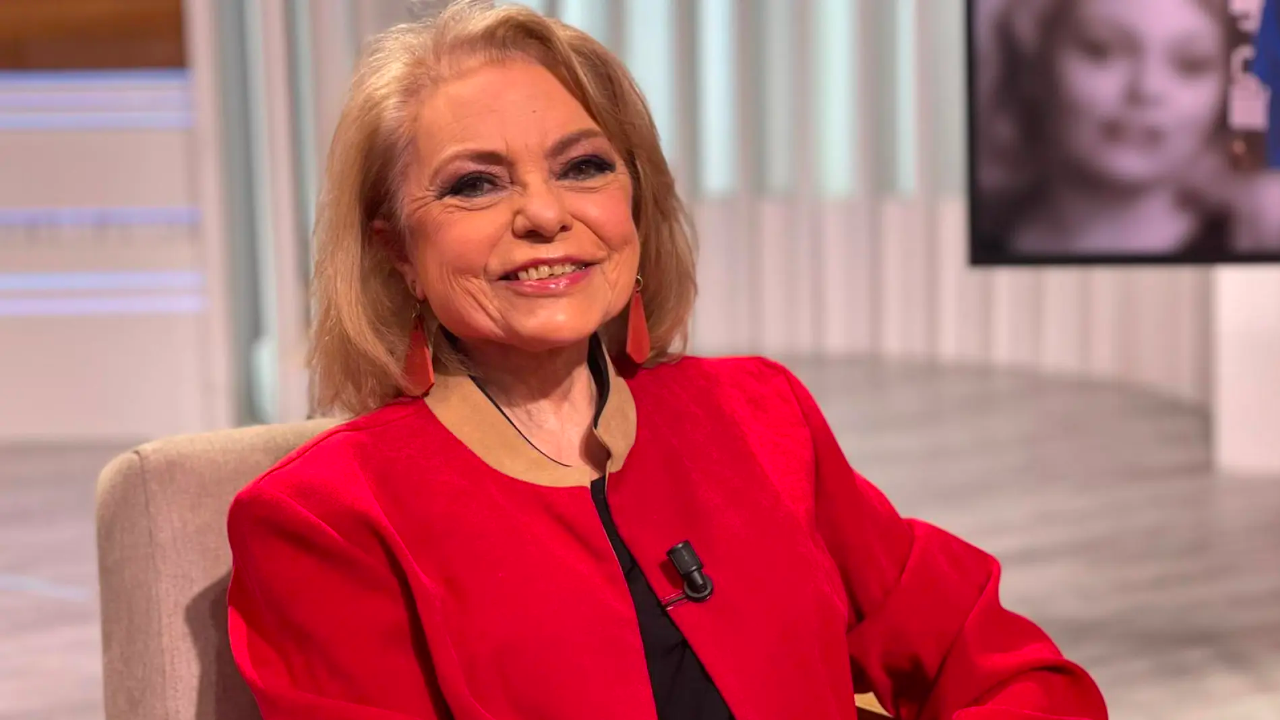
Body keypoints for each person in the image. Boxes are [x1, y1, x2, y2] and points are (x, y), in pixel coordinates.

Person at [226, 2, 1108, 718]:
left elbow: (1005, 669)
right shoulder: (322, 521)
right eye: (475, 184)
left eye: (583, 167)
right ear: (396, 251)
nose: (545, 215)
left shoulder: (761, 415)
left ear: (635, 208)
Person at [973, 0, 1242, 260]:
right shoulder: (967, 231)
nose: (1146, 89)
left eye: (1191, 64)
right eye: (1101, 50)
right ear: (1033, 64)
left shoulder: (1249, 250)